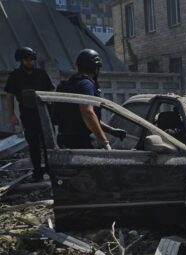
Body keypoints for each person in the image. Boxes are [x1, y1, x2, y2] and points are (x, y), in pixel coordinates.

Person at [53, 49, 125, 149]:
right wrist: (105, 141)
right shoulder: (86, 84)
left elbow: (85, 118)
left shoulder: (70, 83)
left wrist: (110, 130)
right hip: (79, 142)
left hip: (63, 139)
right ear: (95, 68)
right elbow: (88, 113)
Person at [4, 47, 55, 181]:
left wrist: (53, 111)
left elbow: (52, 91)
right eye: (27, 59)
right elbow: (9, 96)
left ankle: (51, 171)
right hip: (27, 114)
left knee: (47, 144)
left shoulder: (41, 73)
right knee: (33, 145)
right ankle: (38, 172)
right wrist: (11, 115)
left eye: (32, 59)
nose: (30, 62)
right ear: (21, 60)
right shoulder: (15, 76)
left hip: (44, 114)